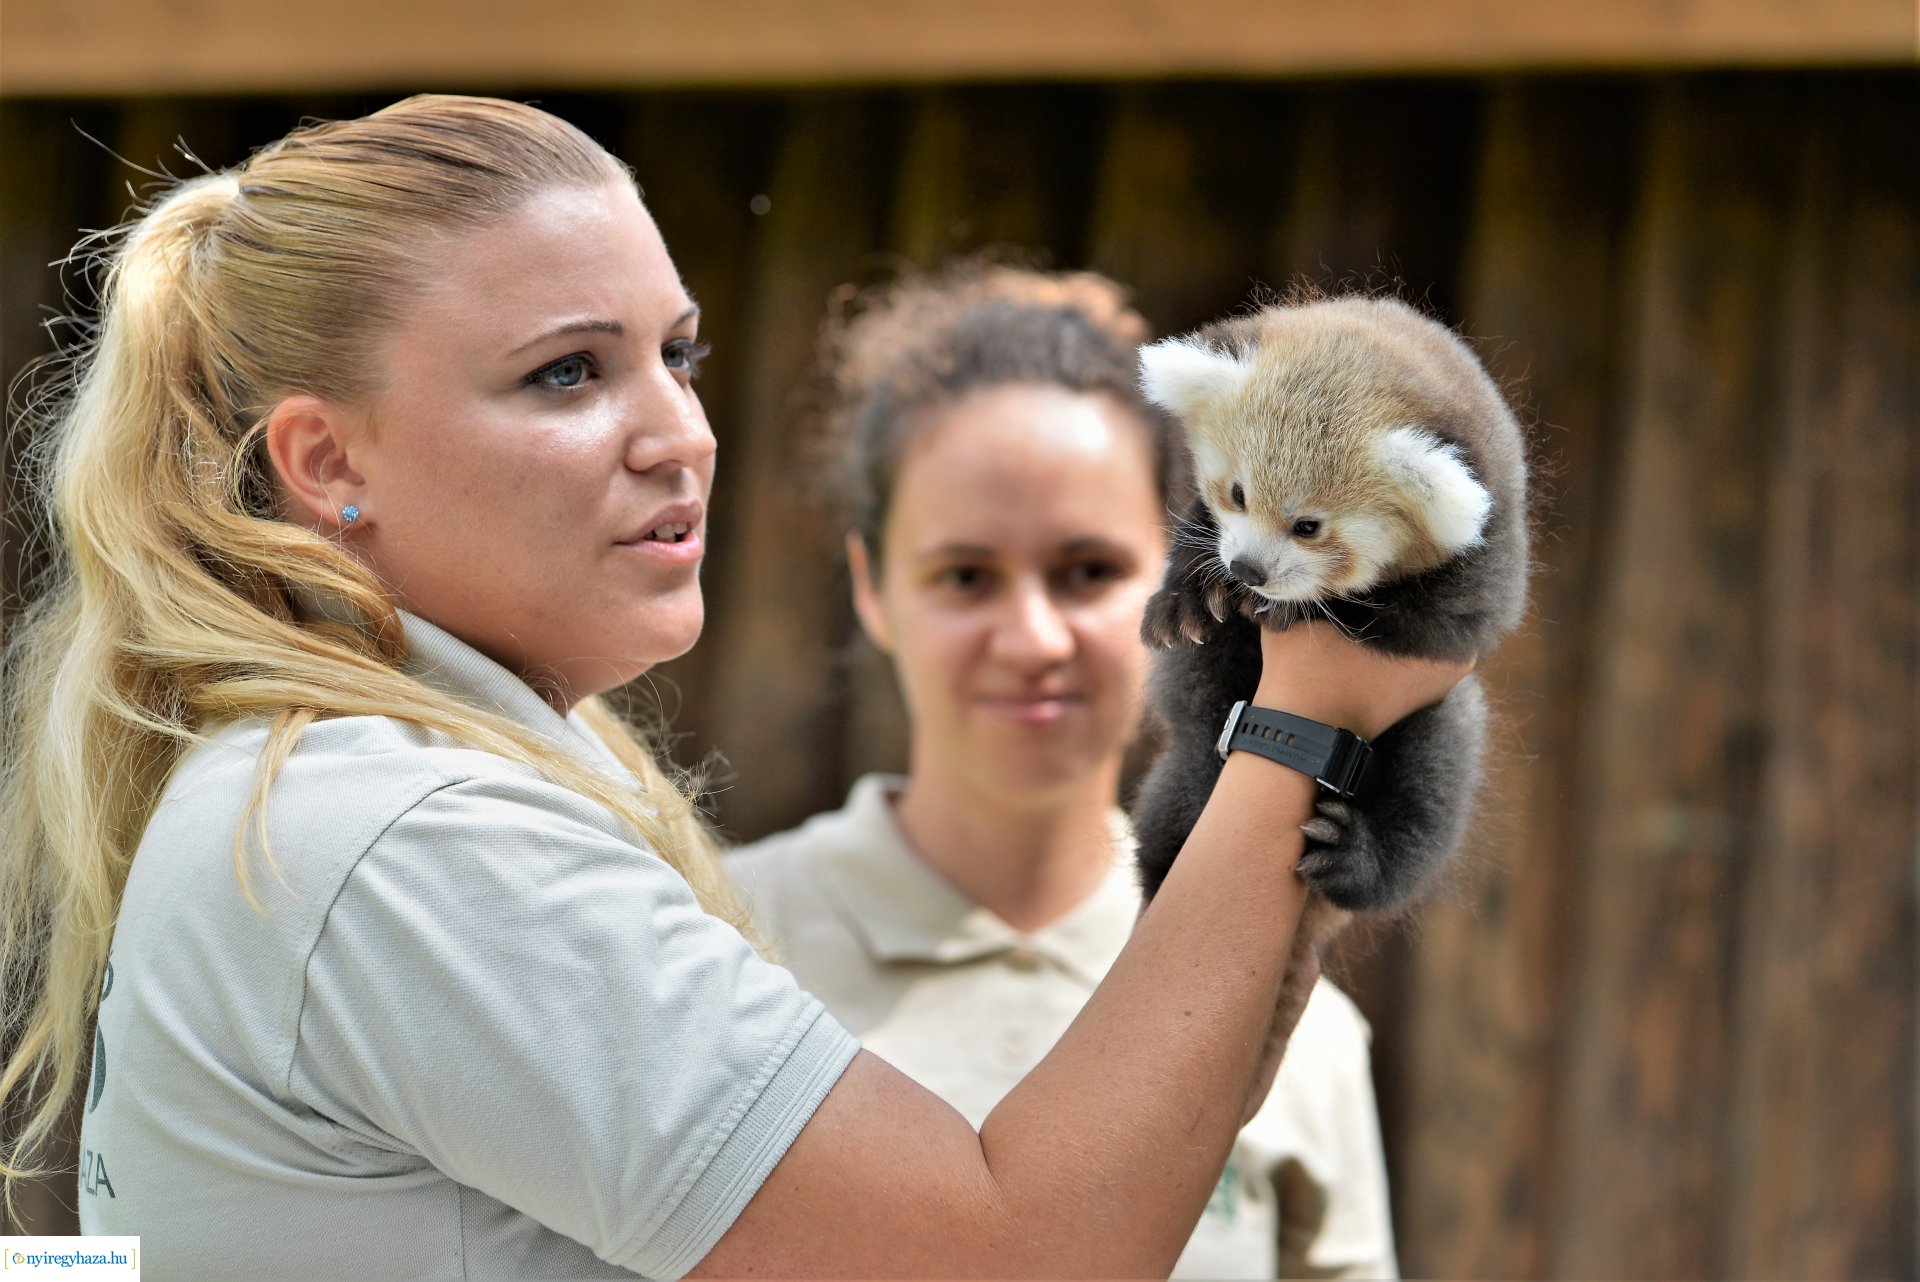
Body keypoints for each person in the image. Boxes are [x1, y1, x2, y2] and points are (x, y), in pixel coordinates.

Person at [0, 96, 1467, 1279]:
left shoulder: (335, 787)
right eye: (569, 374)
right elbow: (1019, 1255)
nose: (678, 434)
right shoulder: (407, 836)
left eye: (676, 354)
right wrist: (1303, 724)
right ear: (328, 463)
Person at [727, 265, 1400, 1279]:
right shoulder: (709, 942)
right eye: (964, 575)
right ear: (872, 587)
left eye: (1088, 571)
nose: (1032, 636)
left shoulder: (1283, 1010)